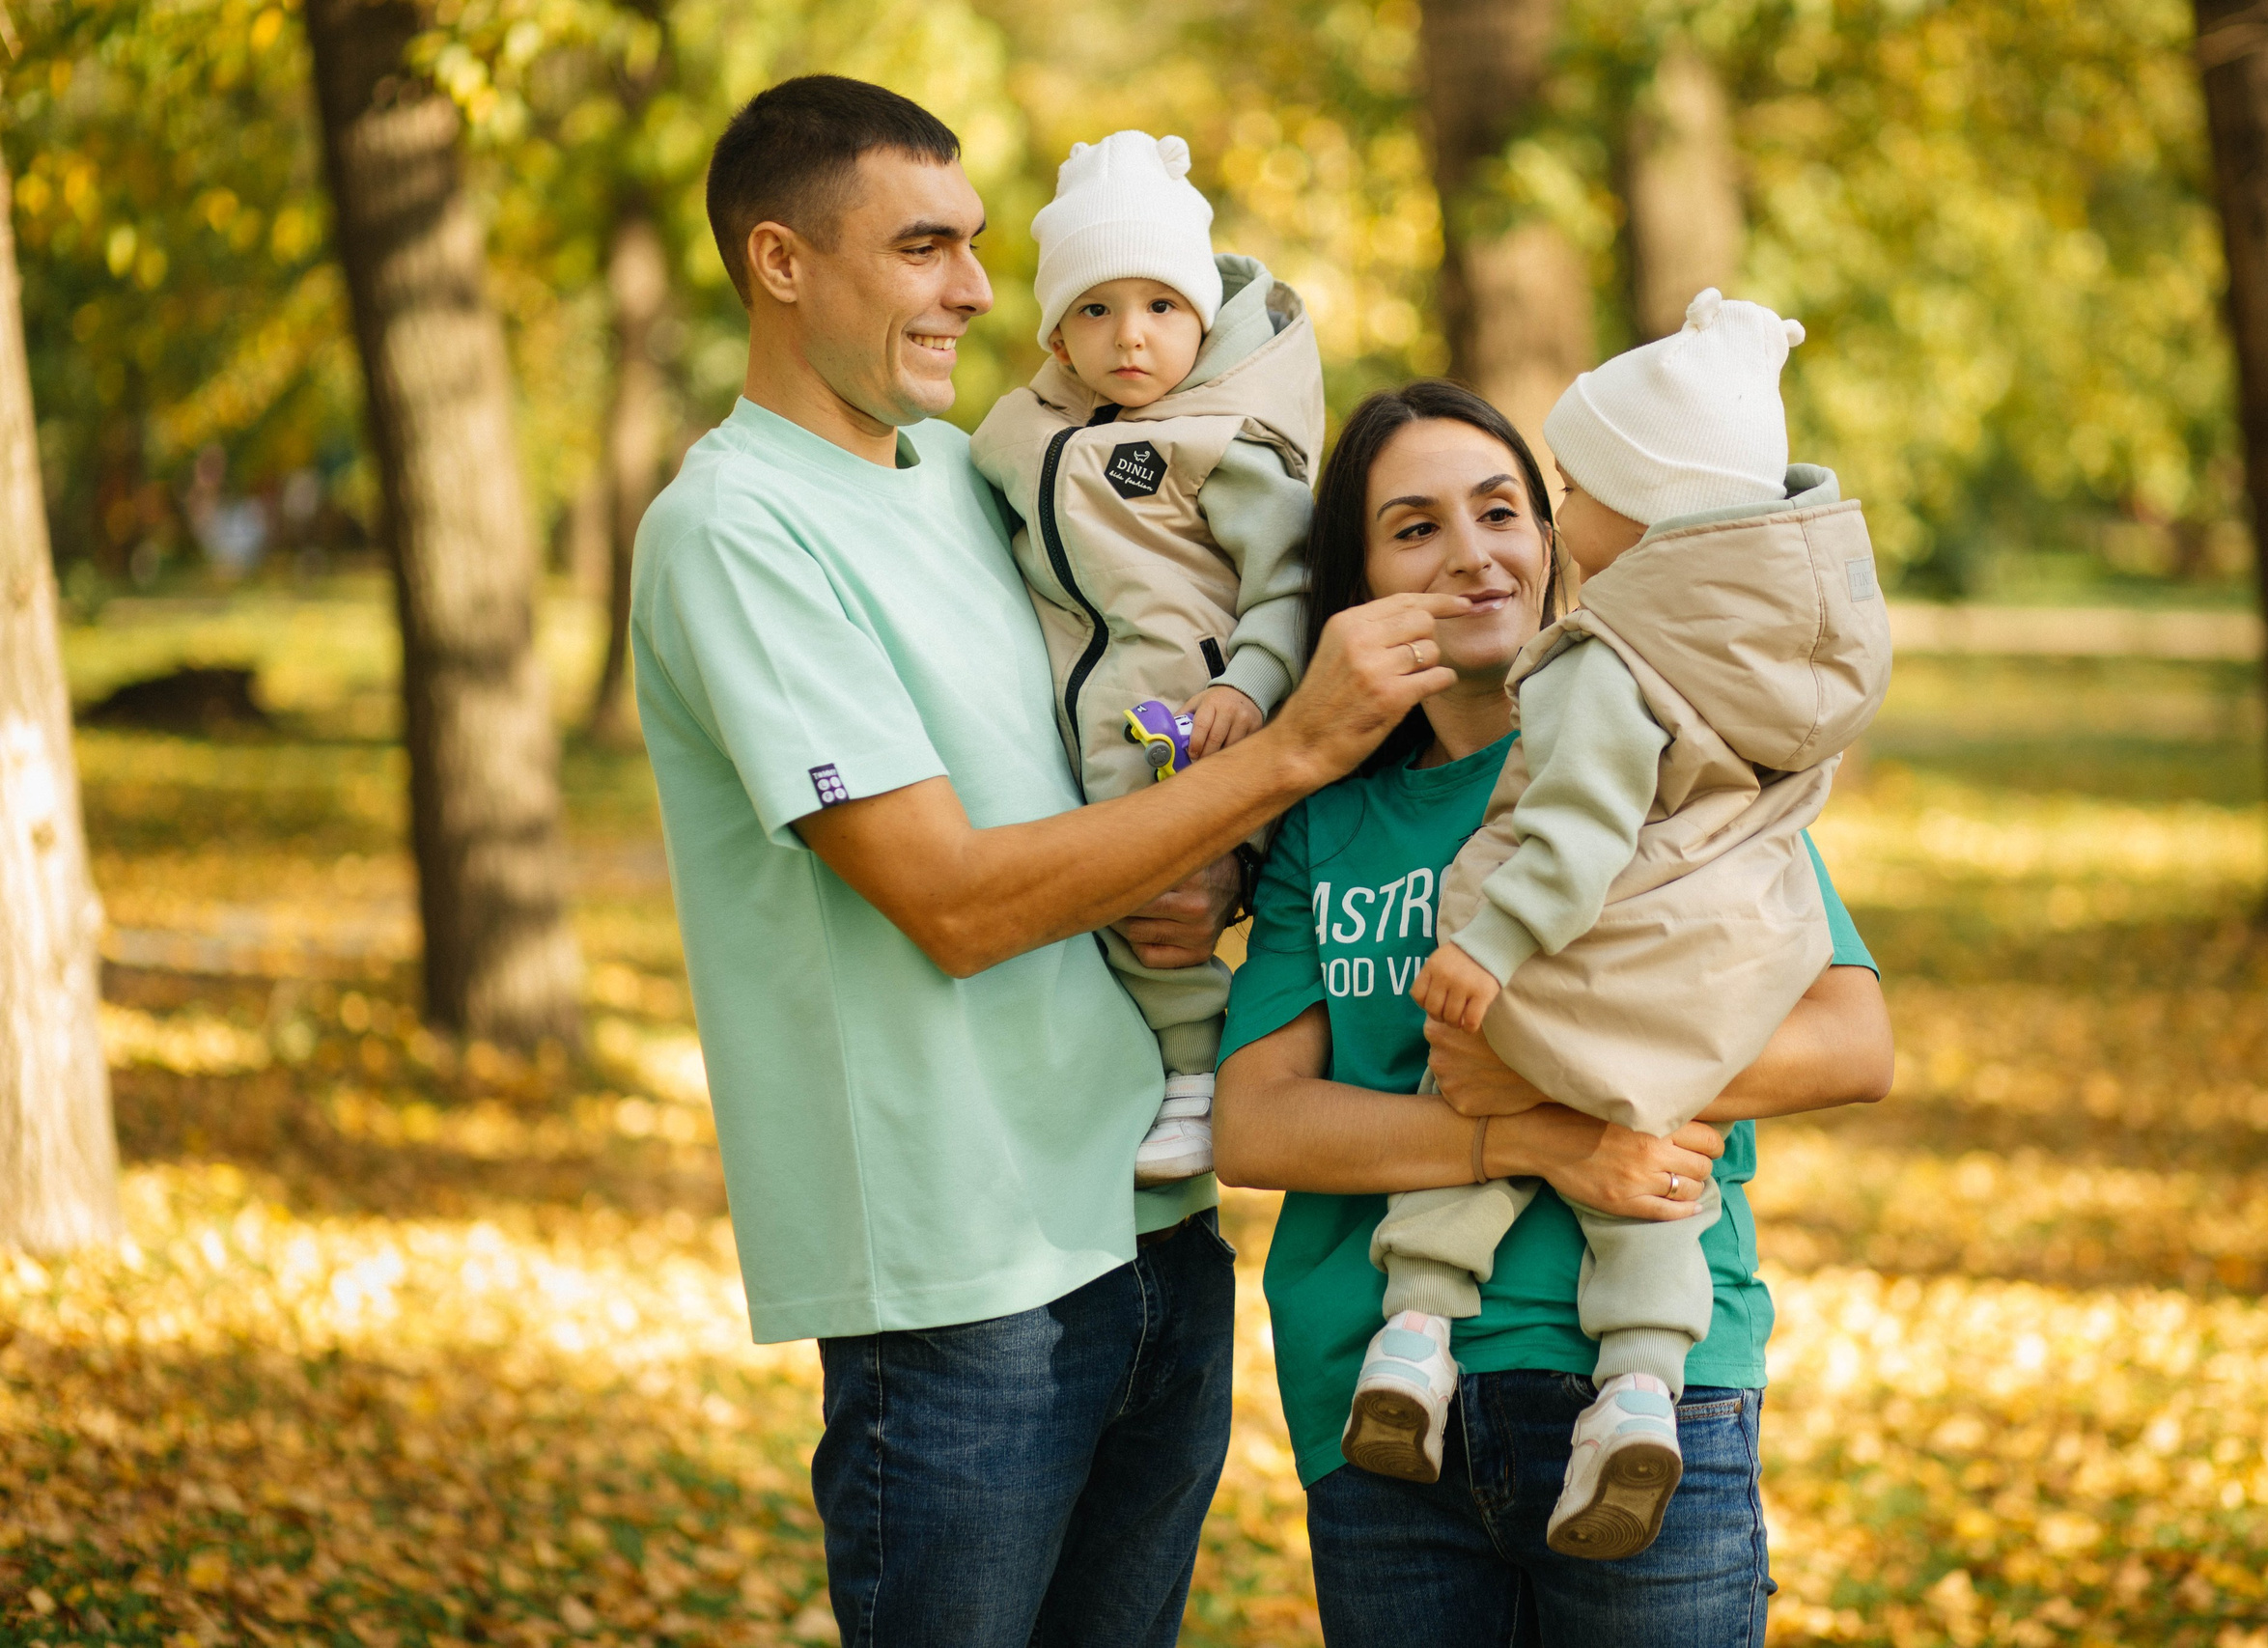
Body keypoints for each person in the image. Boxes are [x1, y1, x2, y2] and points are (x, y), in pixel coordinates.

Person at [627, 77, 1462, 1648]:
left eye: (975, 244)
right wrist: (1291, 752)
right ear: (780, 261)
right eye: (923, 247)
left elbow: (1119, 748)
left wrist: (1213, 851)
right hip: (963, 1276)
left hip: (1157, 1219)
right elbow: (950, 898)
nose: (974, 289)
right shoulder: (736, 528)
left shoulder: (981, 475)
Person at [1215, 379, 1895, 1647]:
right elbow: (1254, 1124)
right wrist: (1529, 1137)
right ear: (1357, 581)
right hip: (1380, 1400)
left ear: (1554, 538)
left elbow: (1854, 1042)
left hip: (1650, 1393)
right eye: (1415, 528)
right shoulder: (1328, 822)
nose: (1471, 553)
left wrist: (1565, 1076)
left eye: (1500, 511)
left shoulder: (1684, 766)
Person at [972, 128, 1320, 1186]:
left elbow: (1290, 582)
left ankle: (1195, 1071)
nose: (1131, 335)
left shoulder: (1219, 442)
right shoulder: (1017, 433)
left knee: (1158, 899)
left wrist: (1247, 684)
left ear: (1201, 318)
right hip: (1080, 708)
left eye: (1161, 306)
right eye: (1096, 310)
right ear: (1056, 333)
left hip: (1186, 713)